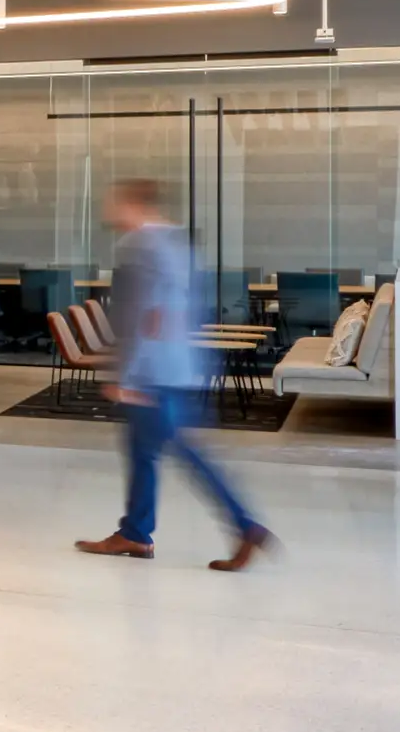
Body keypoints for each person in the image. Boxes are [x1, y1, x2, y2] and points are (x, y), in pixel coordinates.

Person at [74, 177, 276, 570]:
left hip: (151, 372)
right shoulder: (176, 243)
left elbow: (141, 317)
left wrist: (126, 377)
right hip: (174, 364)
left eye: (114, 202)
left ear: (132, 205)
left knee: (183, 452)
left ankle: (244, 524)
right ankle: (134, 533)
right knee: (142, 450)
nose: (108, 211)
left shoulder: (138, 245)